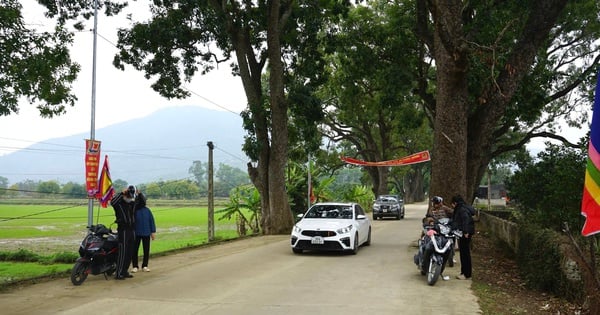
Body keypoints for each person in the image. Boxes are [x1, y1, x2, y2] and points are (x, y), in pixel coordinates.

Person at [110, 184, 144, 280]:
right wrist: (122, 193)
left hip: (132, 229)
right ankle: (119, 273)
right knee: (123, 251)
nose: (129, 198)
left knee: (130, 251)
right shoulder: (119, 204)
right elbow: (113, 201)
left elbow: (142, 203)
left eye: (131, 196)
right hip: (123, 229)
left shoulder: (132, 205)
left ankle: (124, 271)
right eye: (128, 196)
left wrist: (139, 194)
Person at [451, 194, 475, 280]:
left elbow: (466, 220)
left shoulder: (462, 209)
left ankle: (466, 274)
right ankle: (464, 272)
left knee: (465, 254)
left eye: (453, 204)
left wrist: (466, 231)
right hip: (464, 233)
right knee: (464, 253)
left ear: (455, 203)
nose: (452, 206)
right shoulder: (463, 207)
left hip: (465, 233)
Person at [131, 205, 156, 273]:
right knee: (134, 250)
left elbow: (151, 221)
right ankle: (135, 266)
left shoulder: (147, 210)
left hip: (146, 233)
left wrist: (153, 231)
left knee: (146, 250)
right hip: (136, 233)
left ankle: (145, 265)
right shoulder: (134, 210)